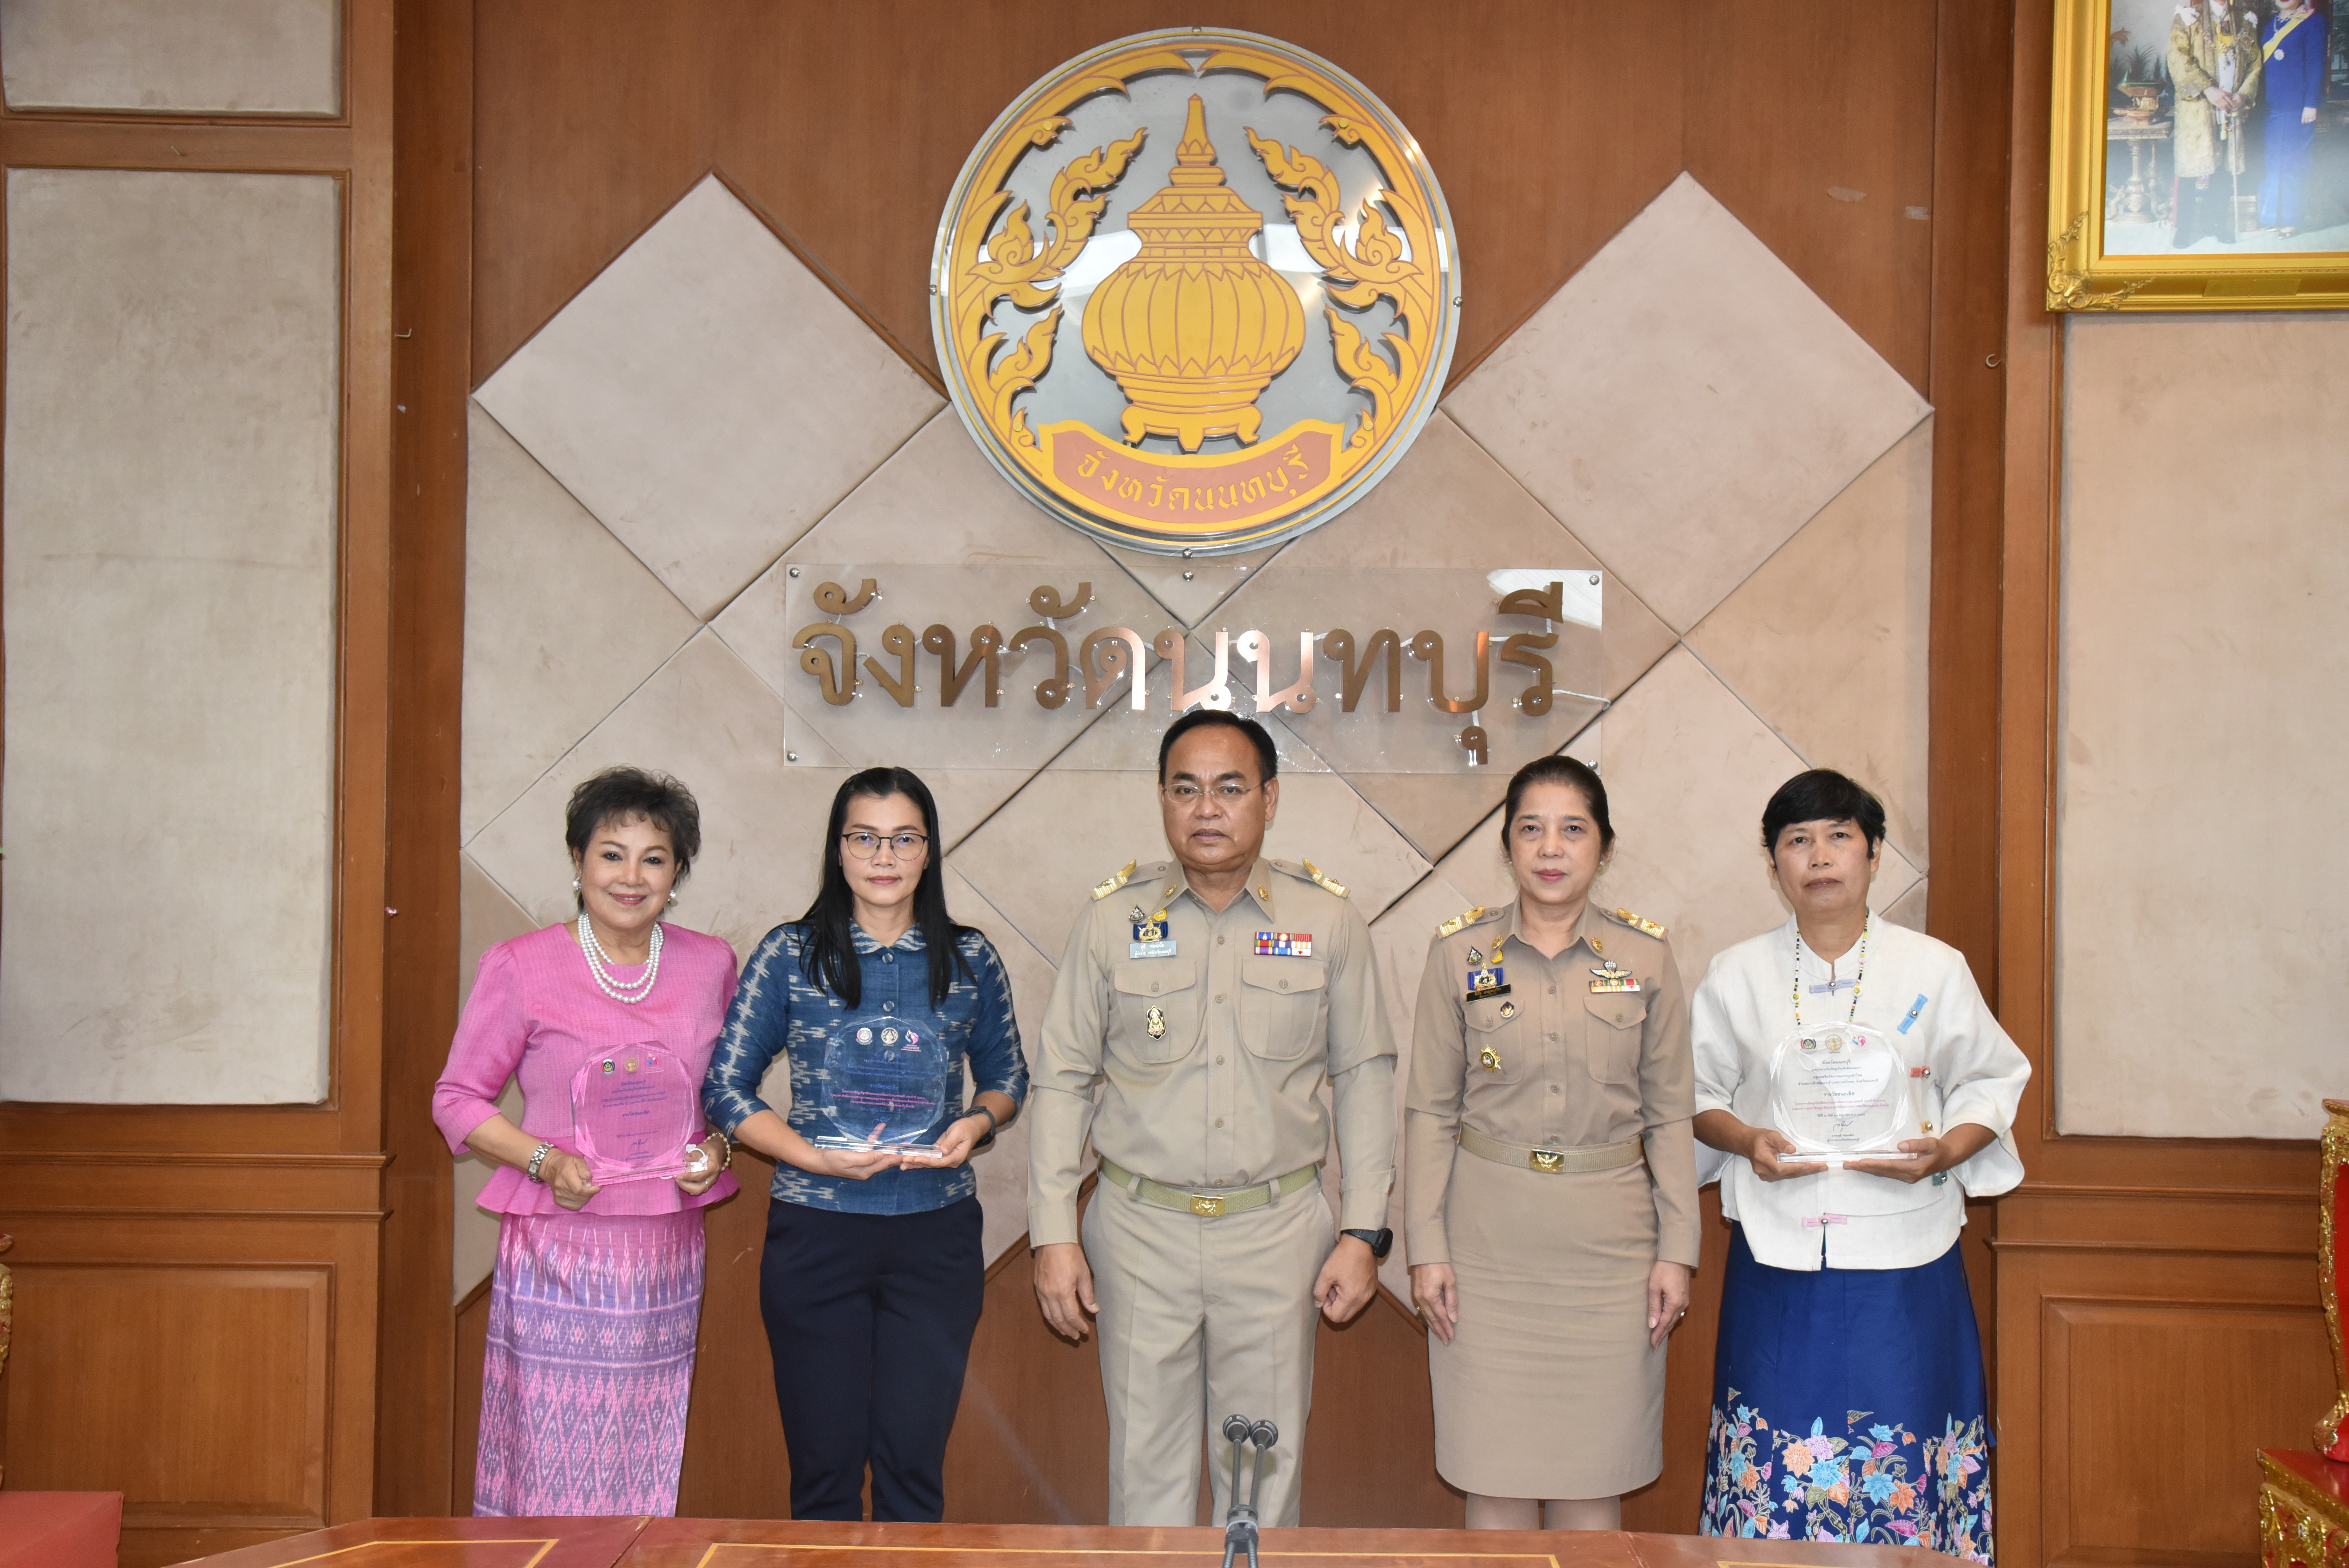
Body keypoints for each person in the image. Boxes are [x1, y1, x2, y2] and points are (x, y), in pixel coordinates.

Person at [1027, 709, 1395, 1527]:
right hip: (1136, 1231)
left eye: (1229, 788)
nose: (1206, 809)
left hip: (1274, 1235)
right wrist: (1053, 1233)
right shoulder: (1110, 921)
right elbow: (1060, 1082)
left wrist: (1362, 1231)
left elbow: (1364, 1077)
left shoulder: (1327, 921)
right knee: (1142, 1472)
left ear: (1269, 798)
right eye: (1185, 789)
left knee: (1260, 1475)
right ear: (1161, 799)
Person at [1691, 770, 2029, 1562]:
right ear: (1772, 862)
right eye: (1796, 840)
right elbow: (1695, 1095)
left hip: (1905, 1266)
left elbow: (1991, 1077)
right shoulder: (1736, 973)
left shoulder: (1932, 968)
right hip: (1777, 1266)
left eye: (1838, 836)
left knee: (1906, 1459)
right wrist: (1745, 1142)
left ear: (1872, 855)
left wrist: (1945, 1149)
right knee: (1771, 1473)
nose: (1818, 857)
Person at [701, 766, 1026, 1523]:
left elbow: (1008, 1076)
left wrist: (973, 1126)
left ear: (927, 851)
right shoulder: (791, 954)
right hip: (818, 1233)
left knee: (913, 1470)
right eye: (864, 837)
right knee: (823, 1475)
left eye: (904, 838)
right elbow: (724, 1087)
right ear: (838, 849)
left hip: (934, 1234)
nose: (884, 855)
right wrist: (810, 1155)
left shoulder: (968, 957)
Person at [431, 766, 738, 1517]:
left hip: (664, 1251)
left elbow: (731, 1093)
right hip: (557, 1245)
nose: (631, 876)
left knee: (647, 1441)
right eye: (611, 853)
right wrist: (544, 1160)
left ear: (677, 871)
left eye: (654, 857)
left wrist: (718, 1150)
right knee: (551, 1442)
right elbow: (456, 1099)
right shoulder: (521, 964)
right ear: (577, 861)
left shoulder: (712, 965)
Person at [1406, 755, 1697, 1532]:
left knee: (1591, 1481)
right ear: (1506, 844)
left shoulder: (1643, 958)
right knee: (1491, 1478)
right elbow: (1429, 1112)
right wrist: (1424, 1246)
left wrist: (1678, 1249)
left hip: (1609, 1251)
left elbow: (1670, 1114)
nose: (1550, 848)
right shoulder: (1457, 956)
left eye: (1573, 830)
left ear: (1603, 847)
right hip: (1485, 1249)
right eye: (1530, 829)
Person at [2170, 0, 2265, 246]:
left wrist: (2243, 94)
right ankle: (2185, 228)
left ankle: (2216, 224)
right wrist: (2209, 89)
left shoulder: (2244, 20)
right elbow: (2177, 58)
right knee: (2193, 167)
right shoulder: (2189, 17)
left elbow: (2255, 62)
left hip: (2232, 106)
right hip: (2198, 106)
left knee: (2224, 168)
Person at [2257, 0, 2328, 237]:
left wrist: (2311, 103)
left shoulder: (2313, 22)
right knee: (2274, 162)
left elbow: (2317, 64)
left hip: (2298, 107)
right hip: (2274, 105)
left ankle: (2291, 219)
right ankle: (2272, 217)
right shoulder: (2271, 25)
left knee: (2293, 163)